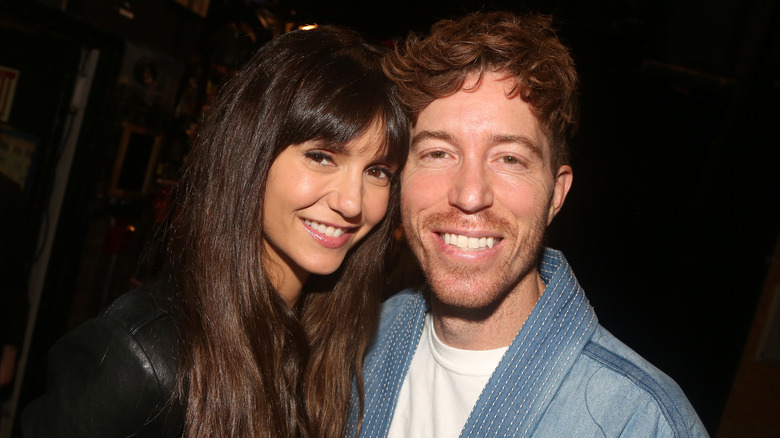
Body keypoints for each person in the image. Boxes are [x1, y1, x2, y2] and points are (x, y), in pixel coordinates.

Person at [22, 25, 407, 438]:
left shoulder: (339, 344)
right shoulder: (141, 356)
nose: (352, 202)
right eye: (321, 156)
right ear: (251, 153)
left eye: (377, 171)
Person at [348, 11, 709, 438]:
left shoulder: (638, 421)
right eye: (438, 153)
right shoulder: (357, 344)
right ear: (400, 177)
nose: (469, 194)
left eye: (509, 159)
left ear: (556, 195)